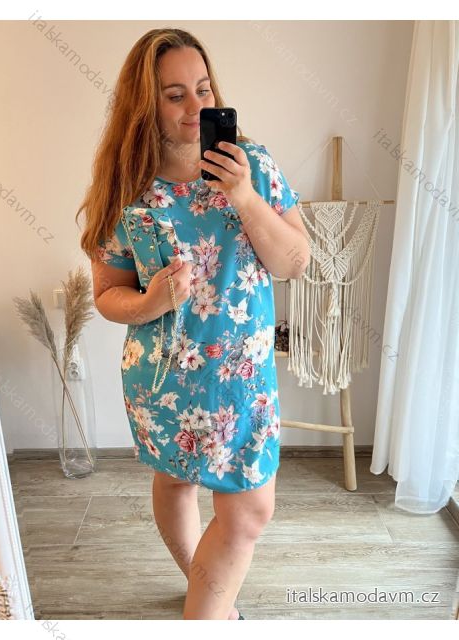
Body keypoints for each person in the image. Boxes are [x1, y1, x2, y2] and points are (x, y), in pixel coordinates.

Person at [76, 27, 310, 620]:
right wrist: (152, 301)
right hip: (163, 380)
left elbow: (294, 262)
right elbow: (107, 295)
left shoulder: (252, 164)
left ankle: (208, 599)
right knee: (175, 480)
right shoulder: (125, 190)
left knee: (249, 513)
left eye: (203, 89)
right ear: (143, 105)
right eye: (175, 94)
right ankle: (207, 595)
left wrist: (244, 196)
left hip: (243, 379)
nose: (196, 106)